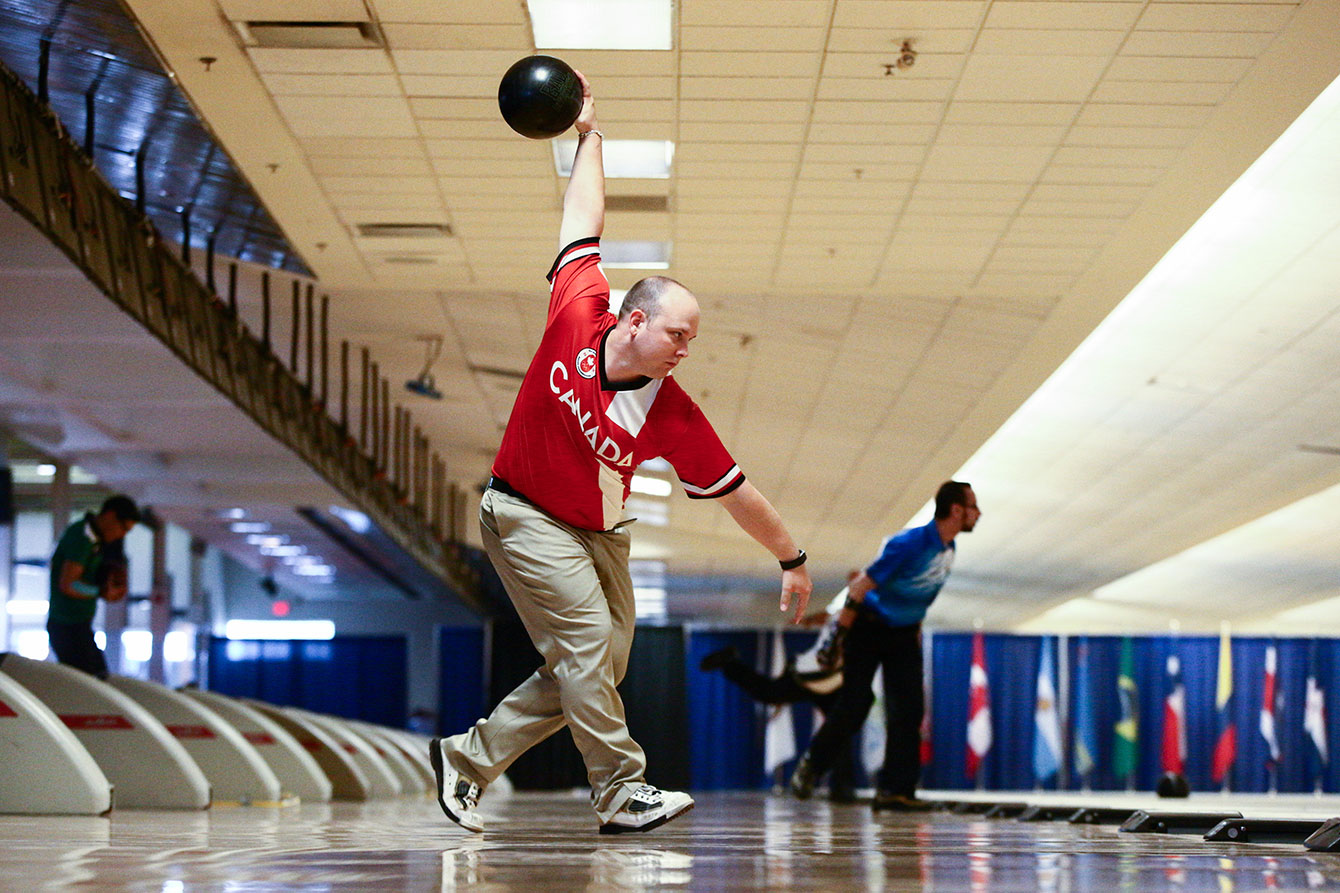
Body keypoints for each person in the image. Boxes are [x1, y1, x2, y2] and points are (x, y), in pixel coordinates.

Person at [430, 71, 813, 835]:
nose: (685, 349)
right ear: (634, 320)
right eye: (678, 333)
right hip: (522, 511)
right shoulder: (578, 307)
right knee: (583, 643)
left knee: (595, 664)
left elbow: (738, 490)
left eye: (691, 340)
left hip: (601, 534)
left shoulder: (670, 412)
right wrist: (589, 137)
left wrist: (792, 557)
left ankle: (466, 759)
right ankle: (618, 788)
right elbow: (584, 215)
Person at [790, 481, 980, 811]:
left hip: (904, 633)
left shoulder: (949, 549)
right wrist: (836, 640)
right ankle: (811, 765)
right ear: (957, 510)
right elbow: (861, 586)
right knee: (856, 703)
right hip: (868, 627)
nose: (978, 514)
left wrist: (915, 631)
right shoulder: (909, 543)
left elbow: (920, 598)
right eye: (973, 506)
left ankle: (895, 790)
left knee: (909, 709)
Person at [698, 590, 862, 801]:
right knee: (773, 694)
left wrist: (809, 620)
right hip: (813, 675)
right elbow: (829, 617)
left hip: (828, 680)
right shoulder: (850, 614)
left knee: (839, 730)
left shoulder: (847, 614)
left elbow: (824, 617)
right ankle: (731, 663)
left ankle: (842, 788)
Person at [46, 494, 140, 679]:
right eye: (123, 528)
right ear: (110, 515)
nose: (122, 535)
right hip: (68, 626)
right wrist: (101, 592)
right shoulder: (83, 537)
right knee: (90, 683)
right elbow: (68, 584)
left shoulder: (96, 541)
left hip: (78, 624)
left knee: (99, 677)